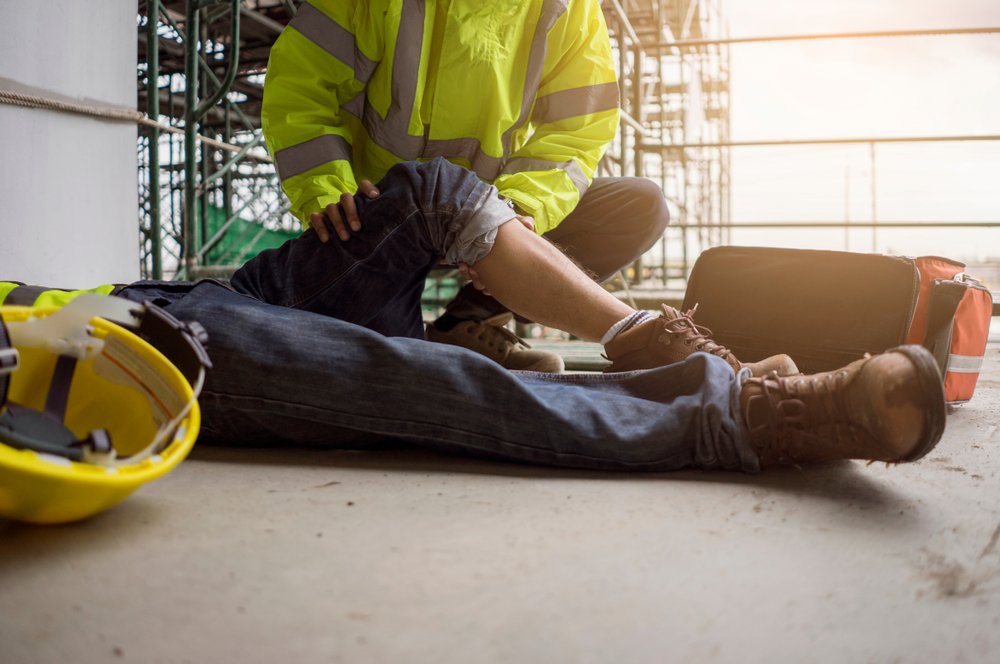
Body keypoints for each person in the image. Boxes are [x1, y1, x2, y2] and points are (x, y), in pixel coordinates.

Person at [2, 160, 946, 471]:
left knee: (429, 193)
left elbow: (572, 147)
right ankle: (736, 414)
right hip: (116, 341)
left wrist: (509, 213)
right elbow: (303, 89)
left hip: (189, 295)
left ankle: (635, 335)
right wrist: (321, 171)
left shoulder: (562, 18)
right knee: (378, 374)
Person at [261, 0, 669, 372]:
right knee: (395, 371)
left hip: (489, 217)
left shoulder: (568, 7)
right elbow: (302, 90)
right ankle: (411, 333)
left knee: (639, 205)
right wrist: (327, 191)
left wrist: (521, 210)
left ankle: (470, 321)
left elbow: (575, 132)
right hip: (377, 217)